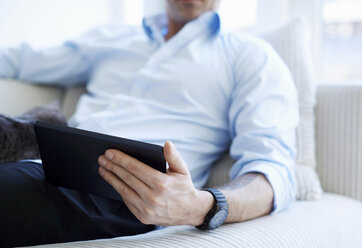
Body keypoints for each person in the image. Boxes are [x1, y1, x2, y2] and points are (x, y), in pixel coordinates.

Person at [0, 0, 298, 246]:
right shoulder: (112, 38)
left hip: (126, 198)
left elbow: (272, 173)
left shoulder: (251, 56)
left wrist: (201, 206)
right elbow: (21, 60)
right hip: (44, 162)